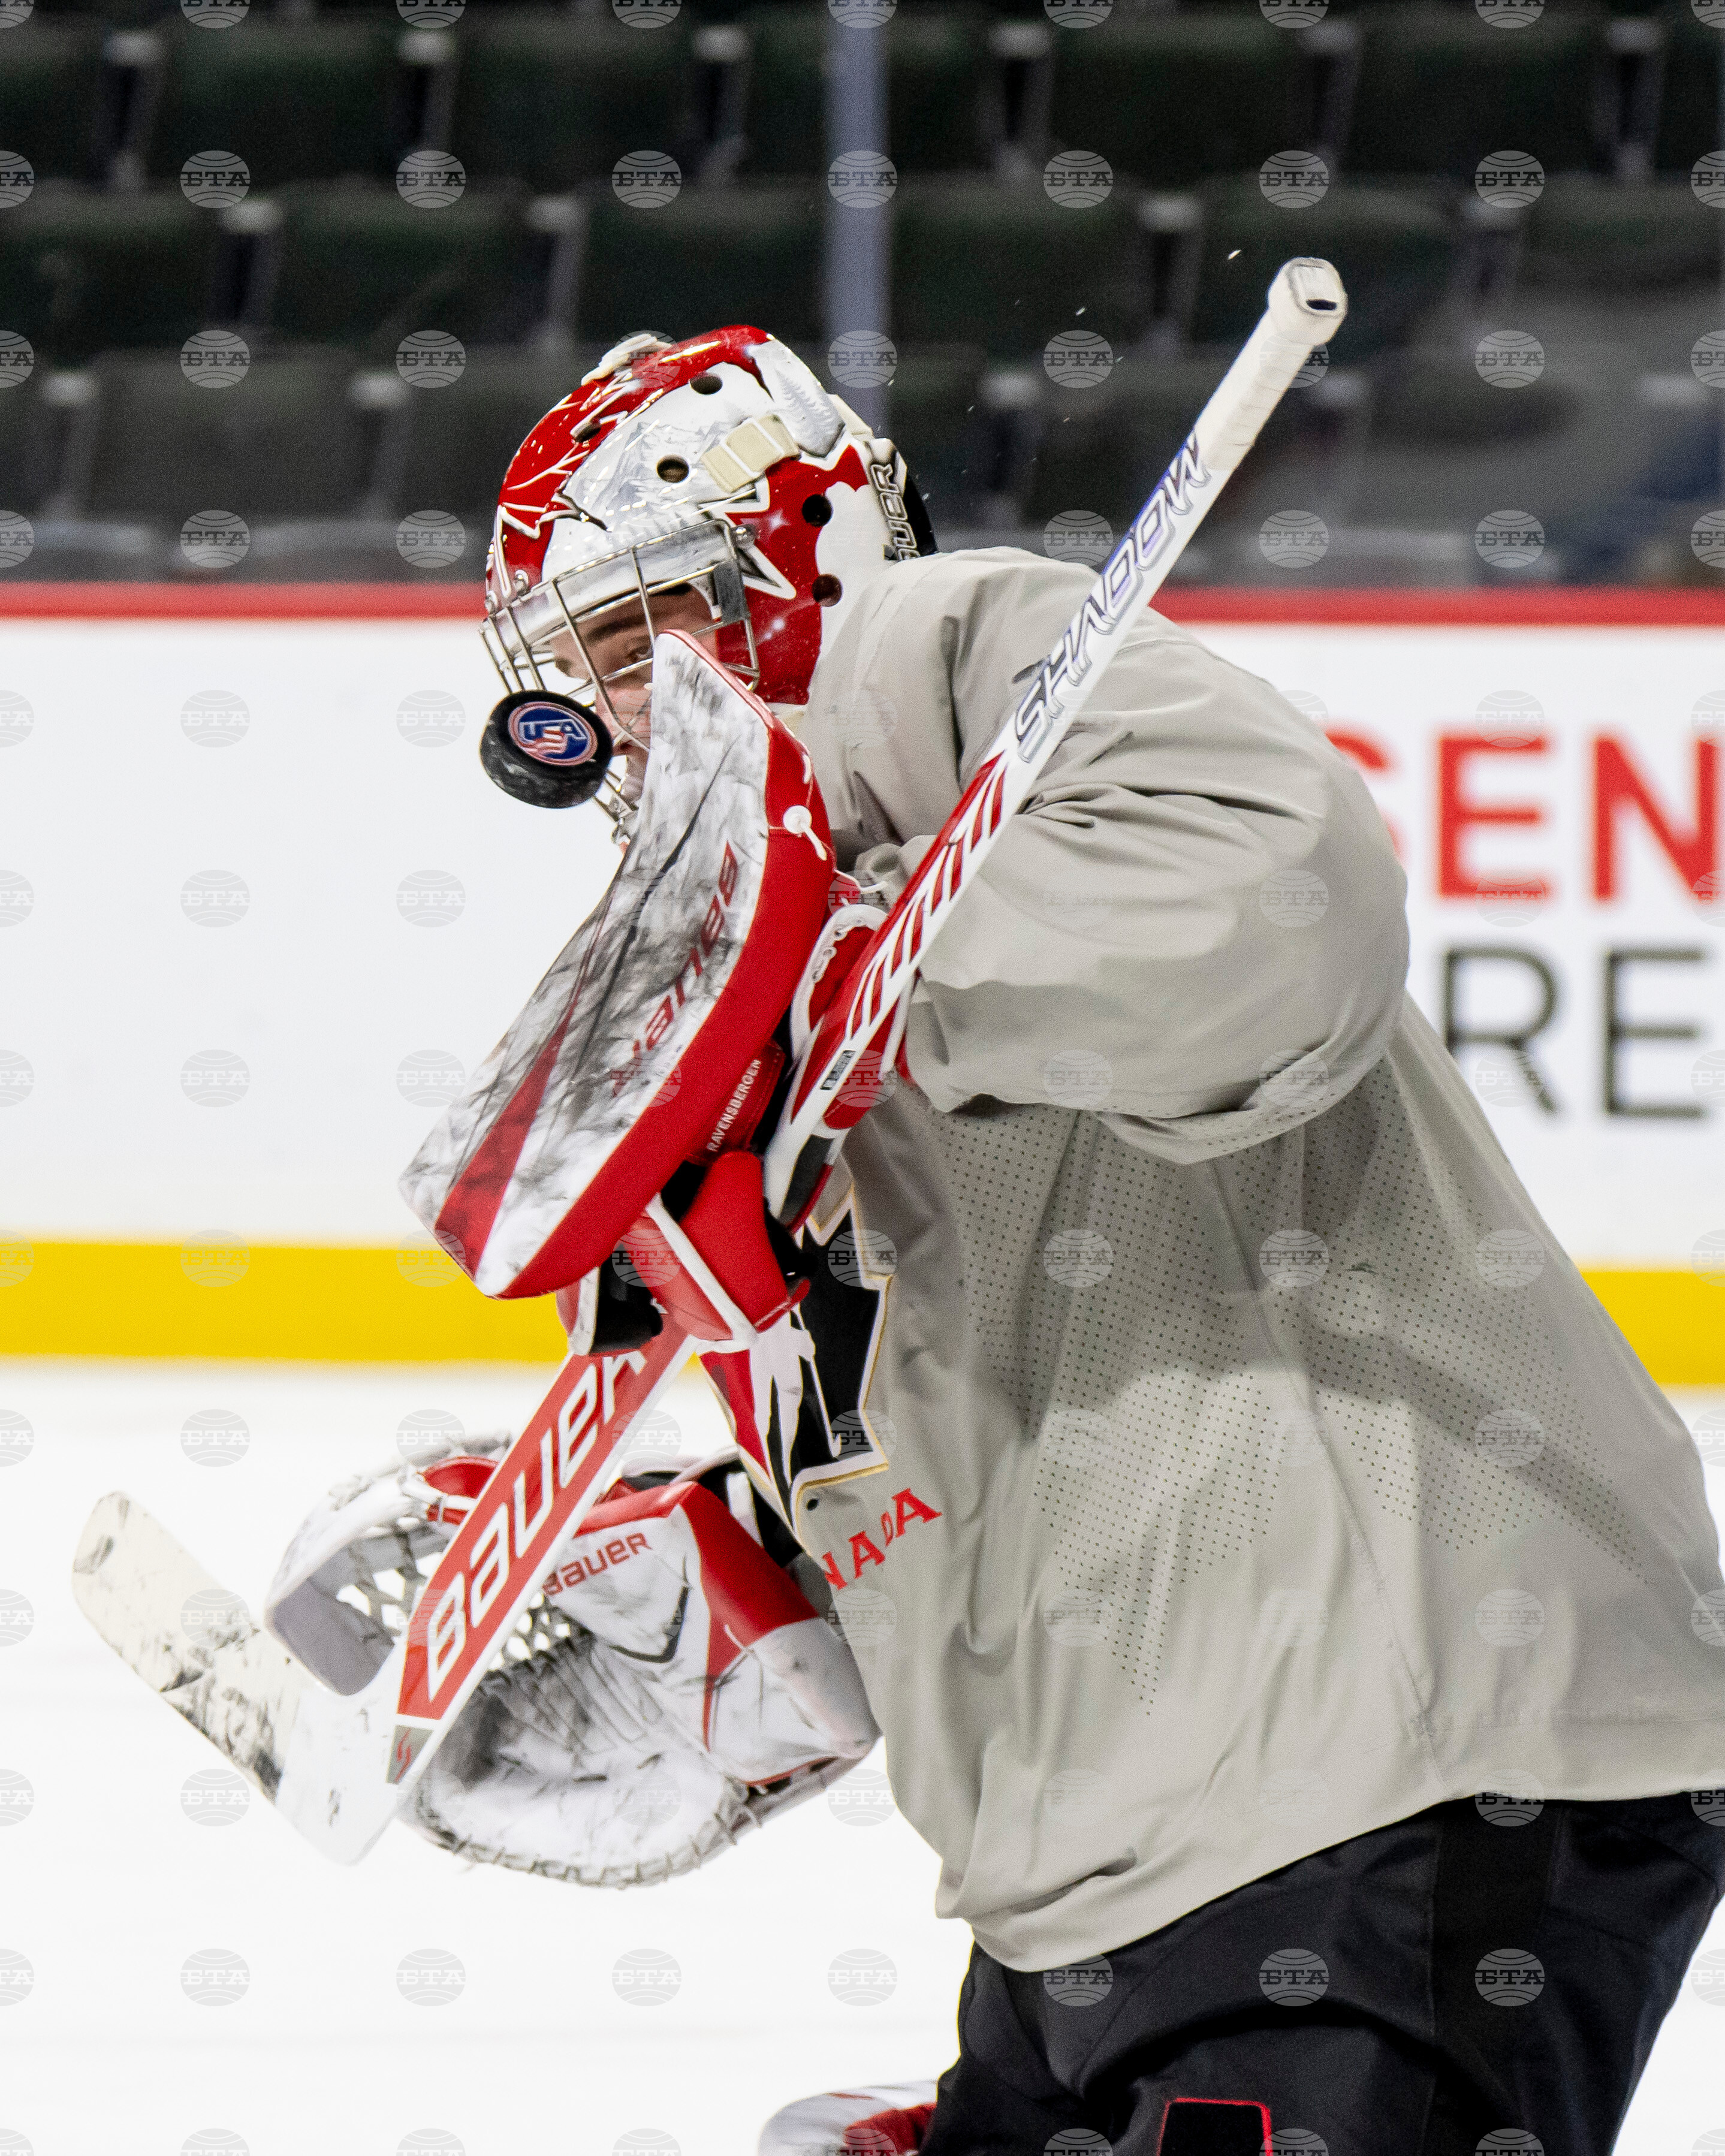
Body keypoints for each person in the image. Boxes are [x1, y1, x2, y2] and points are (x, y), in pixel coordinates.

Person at [364, 328, 1725, 2154]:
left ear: (801, 554)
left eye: (651, 628)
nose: (619, 709)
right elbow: (961, 1414)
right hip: (1125, 1863)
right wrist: (732, 1600)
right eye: (584, 663)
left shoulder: (928, 659)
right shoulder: (747, 973)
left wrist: (870, 995)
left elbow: (1278, 898)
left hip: (1386, 1764)